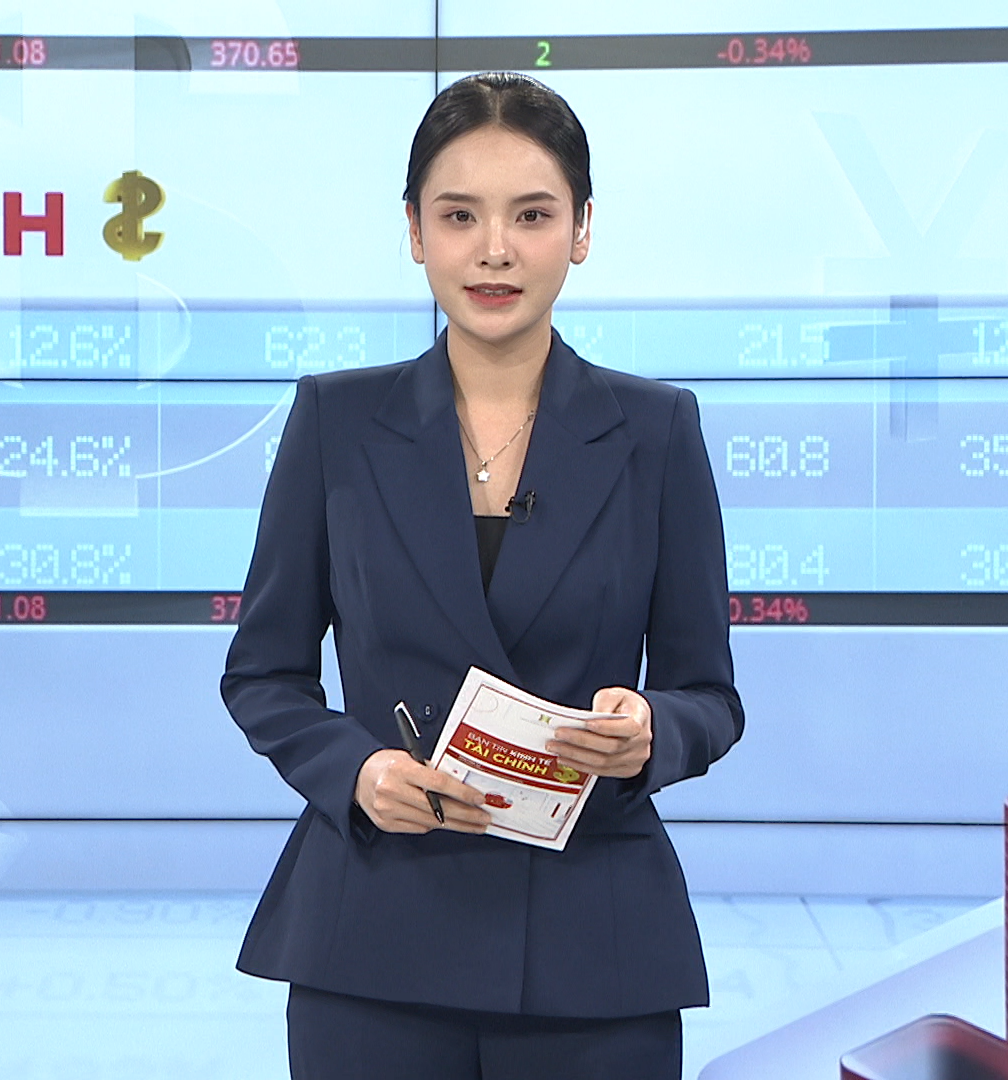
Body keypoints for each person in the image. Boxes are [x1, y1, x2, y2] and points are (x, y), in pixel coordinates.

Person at [221, 72, 744, 1079]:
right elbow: (264, 676)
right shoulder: (336, 423)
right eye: (459, 215)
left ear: (581, 230)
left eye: (532, 215)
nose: (494, 249)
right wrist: (356, 773)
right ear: (415, 231)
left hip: (594, 947)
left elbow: (710, 697)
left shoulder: (656, 431)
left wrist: (650, 730)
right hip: (375, 935)